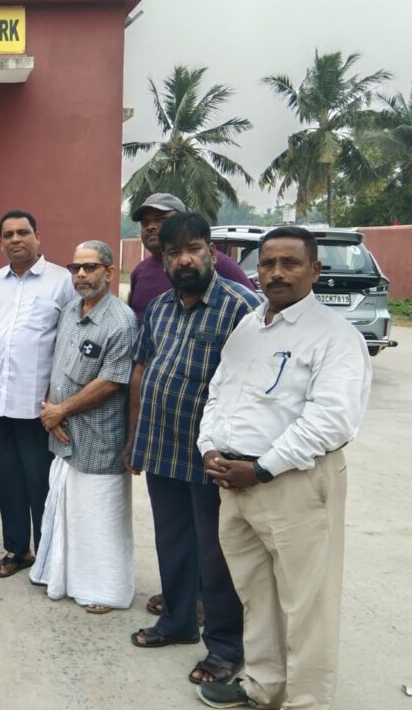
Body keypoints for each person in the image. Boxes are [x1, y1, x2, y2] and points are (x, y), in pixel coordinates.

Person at [196, 227, 372, 710]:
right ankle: (264, 686)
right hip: (234, 484)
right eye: (268, 262)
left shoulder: (335, 337)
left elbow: (331, 421)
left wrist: (263, 469)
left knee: (307, 604)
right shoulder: (249, 326)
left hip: (294, 485)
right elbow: (219, 392)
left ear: (315, 270)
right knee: (257, 595)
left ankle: (307, 701)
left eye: (290, 263)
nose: (276, 272)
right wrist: (209, 446)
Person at [125, 213, 261, 686]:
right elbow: (142, 369)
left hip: (212, 457)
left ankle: (225, 647)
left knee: (216, 554)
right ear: (162, 259)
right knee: (172, 541)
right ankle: (178, 621)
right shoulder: (159, 308)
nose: (184, 260)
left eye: (193, 249)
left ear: (212, 252)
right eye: (173, 253)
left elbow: (257, 387)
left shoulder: (242, 307)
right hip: (162, 444)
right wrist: (135, 437)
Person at [32, 241, 137, 611]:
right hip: (64, 431)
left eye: (90, 267)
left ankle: (106, 591)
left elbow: (111, 381)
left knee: (99, 517)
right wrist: (52, 411)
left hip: (98, 437)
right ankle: (64, 578)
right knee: (69, 511)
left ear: (109, 272)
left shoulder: (121, 322)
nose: (80, 274)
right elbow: (58, 366)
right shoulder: (69, 311)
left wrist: (60, 410)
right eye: (75, 267)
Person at [0, 210, 74, 577]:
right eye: (8, 234)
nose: (16, 239)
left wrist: (59, 401)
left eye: (23, 232)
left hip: (39, 406)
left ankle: (48, 556)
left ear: (38, 236)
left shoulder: (62, 281)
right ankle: (17, 550)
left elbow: (71, 339)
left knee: (40, 484)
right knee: (7, 481)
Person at [128, 193, 253, 324]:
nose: (150, 227)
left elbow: (253, 314)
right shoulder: (140, 272)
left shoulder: (216, 262)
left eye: (161, 219)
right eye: (145, 223)